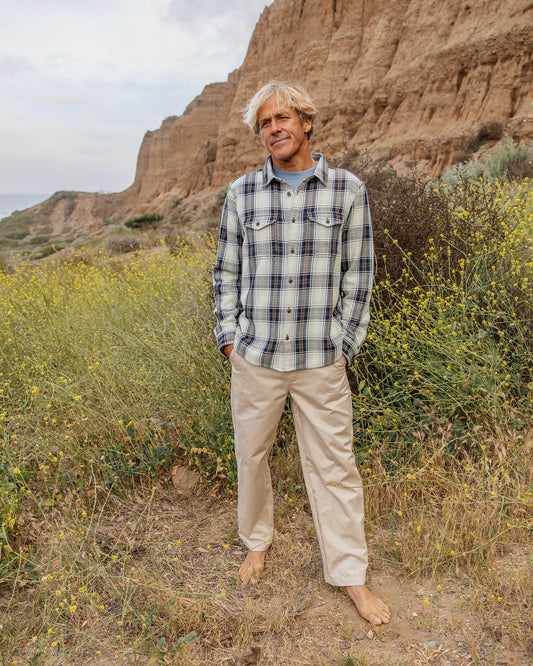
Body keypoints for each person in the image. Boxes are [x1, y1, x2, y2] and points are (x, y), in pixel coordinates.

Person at [213, 80, 390, 625]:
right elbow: (225, 272)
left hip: (320, 359)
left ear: (306, 123)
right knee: (252, 455)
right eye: (265, 123)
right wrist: (229, 337)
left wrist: (345, 344)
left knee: (335, 467)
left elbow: (360, 275)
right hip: (257, 358)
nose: (274, 129)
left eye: (283, 118)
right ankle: (257, 541)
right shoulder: (242, 193)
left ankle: (351, 576)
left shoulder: (347, 190)